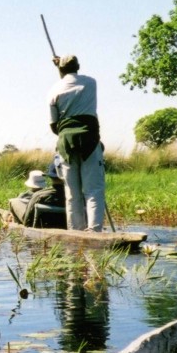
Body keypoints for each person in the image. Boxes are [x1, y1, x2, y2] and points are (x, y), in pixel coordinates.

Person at [48, 54, 106, 231]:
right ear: (78, 66)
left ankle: (76, 231)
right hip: (90, 140)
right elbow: (72, 81)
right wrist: (61, 69)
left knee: (72, 194)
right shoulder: (91, 82)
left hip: (66, 142)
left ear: (61, 69)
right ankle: (94, 231)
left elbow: (54, 126)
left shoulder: (53, 90)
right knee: (93, 191)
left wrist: (60, 70)